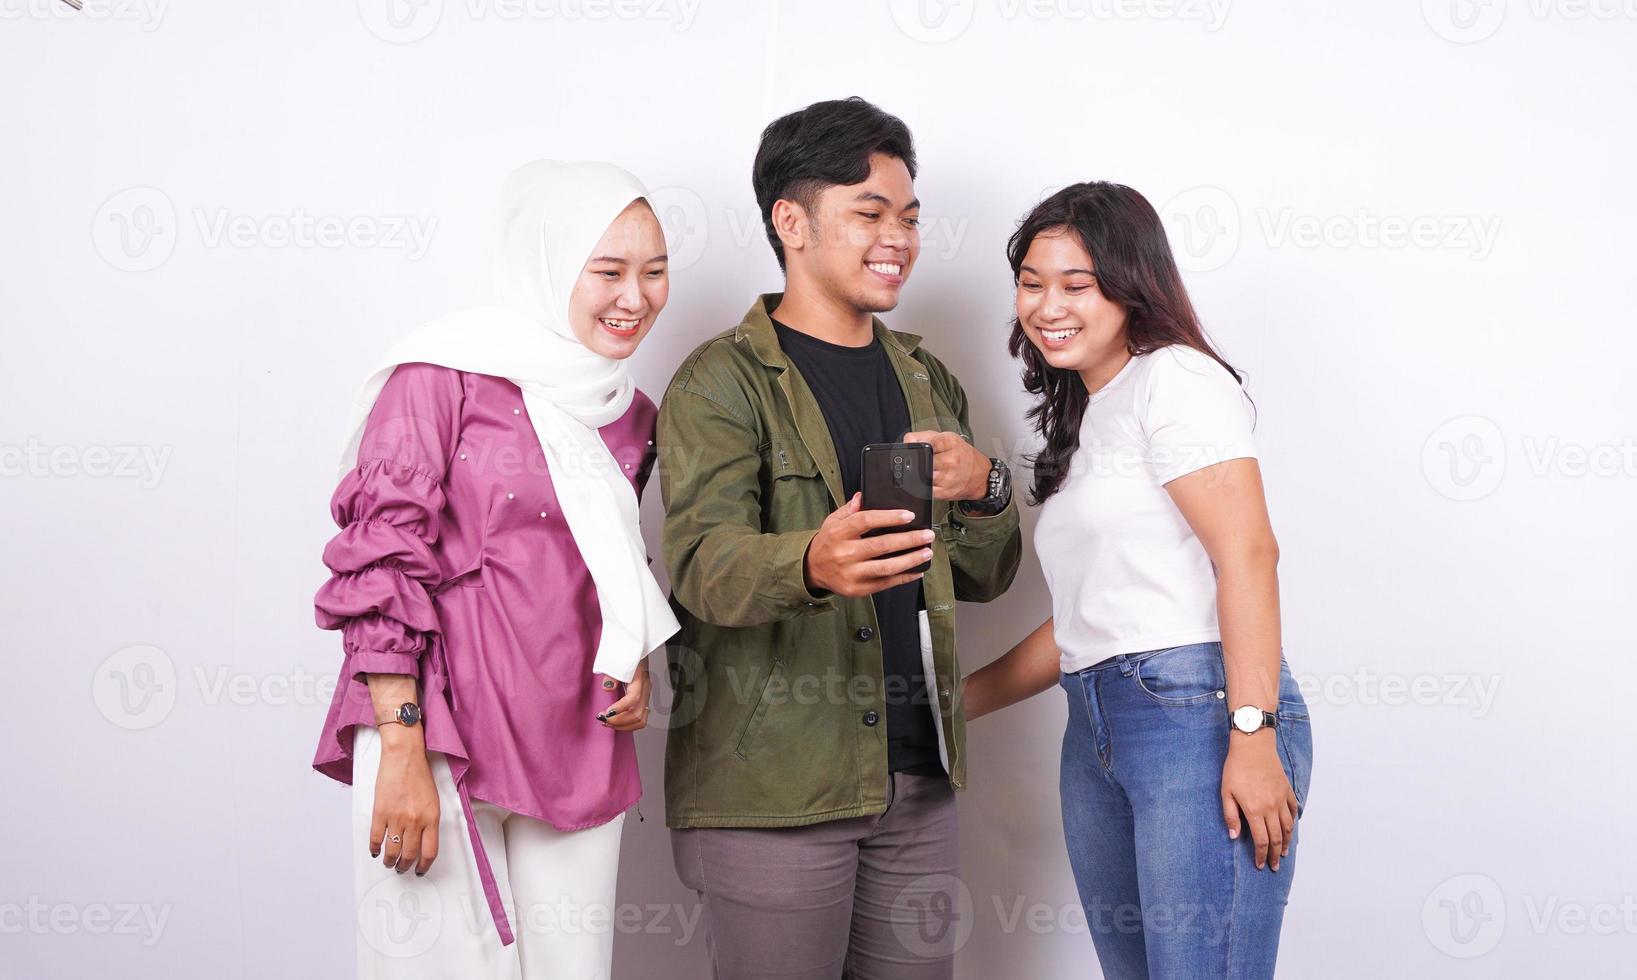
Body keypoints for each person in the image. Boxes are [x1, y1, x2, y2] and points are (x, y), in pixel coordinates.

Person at [656, 97, 1022, 979]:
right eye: (868, 213)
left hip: (917, 784)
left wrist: (988, 488)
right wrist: (810, 564)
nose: (896, 236)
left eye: (908, 217)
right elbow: (702, 567)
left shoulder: (926, 376)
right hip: (771, 790)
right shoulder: (719, 381)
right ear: (792, 222)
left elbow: (980, 578)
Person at [309, 161, 679, 979]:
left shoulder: (626, 410)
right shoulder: (438, 378)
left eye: (655, 273)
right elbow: (381, 565)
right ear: (546, 264)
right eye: (609, 270)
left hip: (577, 731)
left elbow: (609, 558)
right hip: (441, 728)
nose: (636, 297)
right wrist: (402, 750)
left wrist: (639, 651)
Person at [963, 182, 1314, 979]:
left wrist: (1253, 734)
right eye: (1031, 282)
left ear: (1131, 286)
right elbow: (1090, 621)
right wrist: (946, 708)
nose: (1048, 305)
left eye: (1077, 285)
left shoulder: (1175, 380)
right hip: (1096, 724)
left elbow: (1249, 554)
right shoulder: (1089, 419)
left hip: (1199, 714)